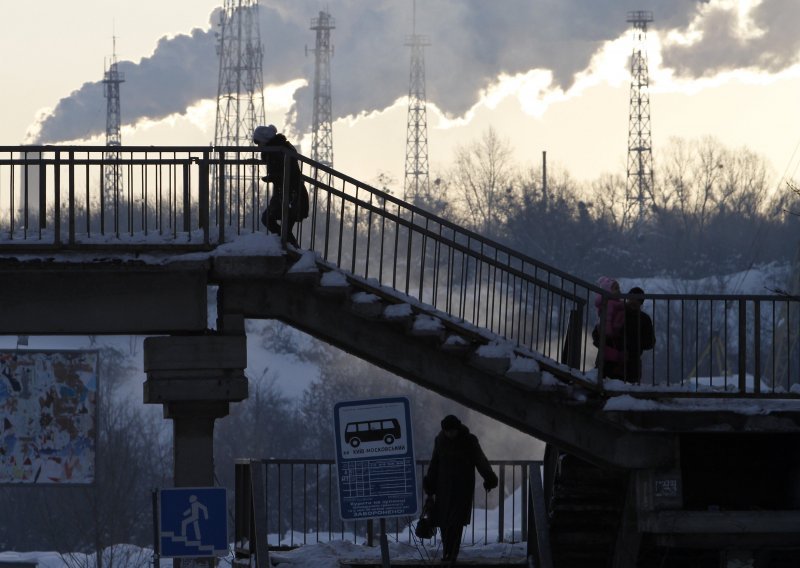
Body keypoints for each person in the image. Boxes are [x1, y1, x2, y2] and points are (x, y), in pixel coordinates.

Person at [423, 415, 498, 564]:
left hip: (462, 489)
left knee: (455, 523)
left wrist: (489, 478)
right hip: (443, 488)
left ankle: (451, 554)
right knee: (445, 522)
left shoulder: (469, 441)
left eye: (452, 431)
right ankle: (448, 553)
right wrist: (430, 486)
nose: (450, 434)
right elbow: (435, 464)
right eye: (447, 431)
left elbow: (480, 460)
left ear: (457, 429)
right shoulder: (440, 441)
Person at [252, 124, 309, 247]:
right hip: (288, 193)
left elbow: (286, 171)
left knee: (270, 220)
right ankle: (291, 247)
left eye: (258, 142)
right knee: (280, 226)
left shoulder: (277, 151)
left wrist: (272, 177)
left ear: (265, 141)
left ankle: (290, 247)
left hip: (291, 194)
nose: (258, 146)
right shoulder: (278, 148)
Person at [618, 286, 656, 383]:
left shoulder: (617, 313)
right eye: (632, 299)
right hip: (628, 362)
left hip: (627, 362)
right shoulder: (644, 318)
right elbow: (650, 343)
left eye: (636, 300)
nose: (633, 302)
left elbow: (650, 342)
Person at [592, 276, 626, 379]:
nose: (619, 290)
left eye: (618, 287)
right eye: (615, 288)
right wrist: (610, 332)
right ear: (608, 291)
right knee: (610, 361)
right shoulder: (610, 304)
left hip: (609, 337)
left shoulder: (611, 303)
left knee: (606, 360)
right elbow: (607, 319)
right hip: (610, 336)